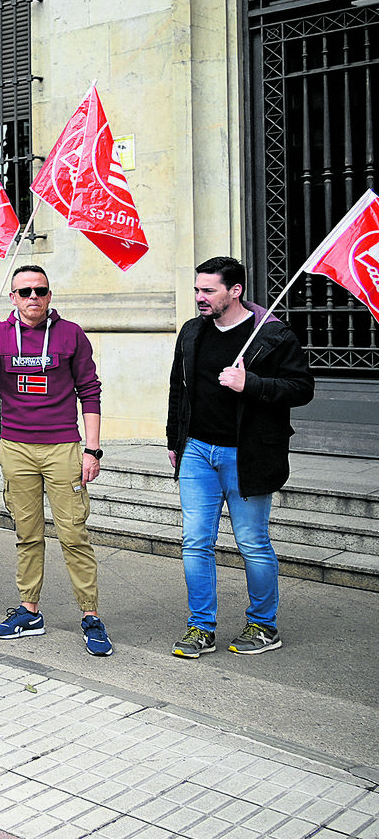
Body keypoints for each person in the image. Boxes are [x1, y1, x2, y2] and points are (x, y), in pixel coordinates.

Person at [0, 265, 113, 657]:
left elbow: (89, 391)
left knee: (74, 534)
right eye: (24, 291)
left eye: (40, 291)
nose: (32, 298)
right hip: (16, 448)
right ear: (12, 297)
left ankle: (90, 615)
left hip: (63, 448)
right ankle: (30, 611)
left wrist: (92, 450)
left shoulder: (70, 333)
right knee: (27, 533)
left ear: (49, 294)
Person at [167, 256, 313, 659]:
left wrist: (251, 383)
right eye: (197, 289)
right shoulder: (193, 331)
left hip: (246, 454)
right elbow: (178, 388)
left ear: (235, 291)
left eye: (208, 290)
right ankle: (201, 627)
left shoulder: (272, 334)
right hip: (197, 450)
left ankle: (264, 625)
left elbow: (301, 388)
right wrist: (173, 440)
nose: (199, 297)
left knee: (252, 542)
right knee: (195, 541)